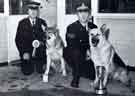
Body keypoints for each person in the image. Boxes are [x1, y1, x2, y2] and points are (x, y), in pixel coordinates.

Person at [64, 3, 97, 88]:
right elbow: (72, 44)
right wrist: (87, 50)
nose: (83, 14)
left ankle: (79, 71)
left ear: (89, 14)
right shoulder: (71, 27)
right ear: (77, 14)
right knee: (75, 52)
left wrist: (91, 51)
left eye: (85, 12)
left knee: (92, 75)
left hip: (88, 56)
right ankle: (76, 77)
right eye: (80, 12)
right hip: (74, 55)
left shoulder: (93, 27)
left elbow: (98, 43)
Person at [15, 1, 47, 75]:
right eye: (31, 10)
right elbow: (18, 40)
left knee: (41, 71)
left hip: (39, 51)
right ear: (27, 11)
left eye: (35, 10)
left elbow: (46, 37)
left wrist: (41, 43)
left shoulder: (42, 22)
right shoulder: (22, 23)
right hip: (27, 51)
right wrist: (23, 52)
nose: (33, 12)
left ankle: (41, 62)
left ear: (38, 11)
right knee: (27, 72)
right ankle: (28, 62)